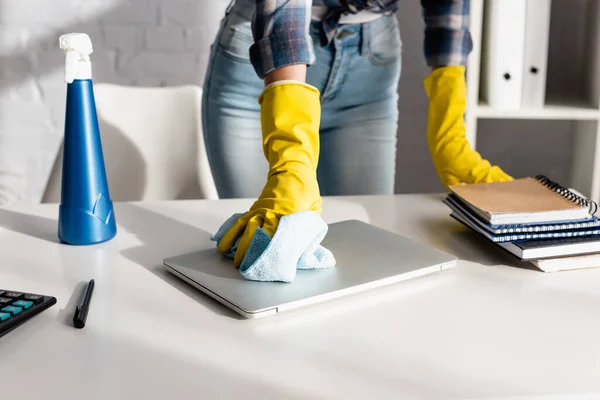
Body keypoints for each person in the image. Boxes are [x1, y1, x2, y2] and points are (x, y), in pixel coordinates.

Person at [203, 0, 513, 266]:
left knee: (362, 256)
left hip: (370, 62)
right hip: (265, 60)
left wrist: (451, 135)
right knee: (266, 251)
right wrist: (290, 158)